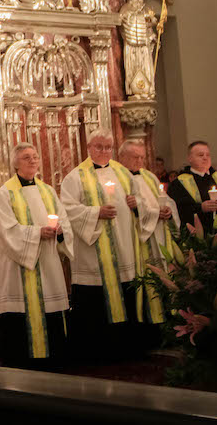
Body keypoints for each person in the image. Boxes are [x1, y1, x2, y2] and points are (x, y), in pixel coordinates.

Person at [60, 130, 142, 362]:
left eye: (108, 147)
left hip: (123, 248)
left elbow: (137, 201)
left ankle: (127, 348)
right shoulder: (74, 177)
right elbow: (67, 210)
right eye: (99, 147)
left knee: (125, 292)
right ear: (89, 147)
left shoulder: (124, 173)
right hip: (93, 252)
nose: (104, 151)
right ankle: (95, 352)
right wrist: (96, 212)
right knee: (95, 301)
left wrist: (137, 204)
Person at [0, 143, 72, 369]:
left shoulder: (47, 190)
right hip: (19, 267)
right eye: (26, 157)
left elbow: (63, 218)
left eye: (35, 156)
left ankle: (54, 361)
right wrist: (37, 233)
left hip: (47, 262)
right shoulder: (4, 193)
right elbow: (6, 229)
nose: (32, 160)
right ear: (15, 163)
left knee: (50, 306)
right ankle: (23, 363)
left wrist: (60, 231)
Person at [117, 139, 176, 349]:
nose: (140, 161)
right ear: (122, 157)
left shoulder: (150, 176)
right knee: (147, 283)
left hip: (158, 236)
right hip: (138, 241)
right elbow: (129, 208)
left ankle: (169, 326)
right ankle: (149, 330)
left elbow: (164, 198)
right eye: (135, 157)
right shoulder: (119, 178)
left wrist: (167, 209)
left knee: (165, 280)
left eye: (142, 157)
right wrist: (151, 213)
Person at [167, 141, 217, 232]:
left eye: (207, 155)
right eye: (200, 155)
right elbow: (177, 209)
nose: (205, 158)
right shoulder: (179, 183)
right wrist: (200, 208)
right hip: (196, 235)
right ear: (190, 158)